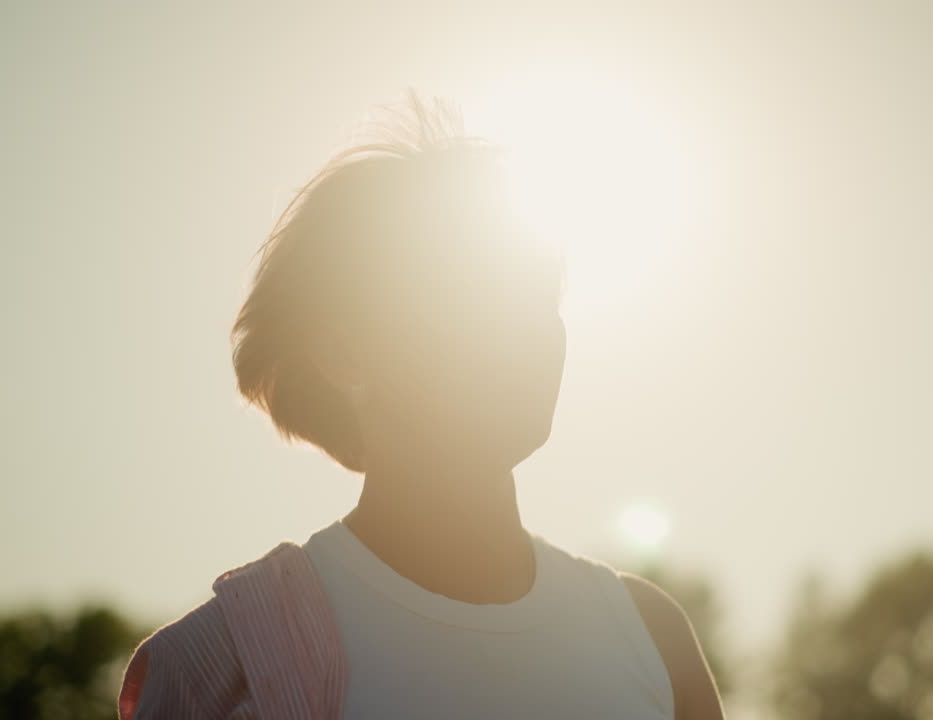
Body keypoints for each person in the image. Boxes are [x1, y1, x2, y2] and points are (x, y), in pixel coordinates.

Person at [116, 89, 725, 719]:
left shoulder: (650, 637)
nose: (527, 329)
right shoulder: (233, 664)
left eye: (537, 293)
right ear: (345, 355)